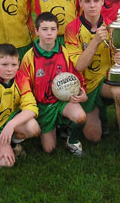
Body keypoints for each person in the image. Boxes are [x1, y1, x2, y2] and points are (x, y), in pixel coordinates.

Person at [65, 0, 120, 156]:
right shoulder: (72, 29)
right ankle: (101, 115)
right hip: (84, 86)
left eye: (95, 0)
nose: (92, 5)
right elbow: (79, 66)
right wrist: (95, 41)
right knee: (94, 137)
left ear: (102, 1)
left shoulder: (113, 26)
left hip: (105, 81)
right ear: (80, 2)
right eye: (87, 1)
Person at [20, 12, 88, 156]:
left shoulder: (65, 53)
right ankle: (52, 127)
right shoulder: (29, 58)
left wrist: (83, 94)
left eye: (52, 29)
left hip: (62, 102)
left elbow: (76, 78)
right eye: (44, 29)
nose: (49, 33)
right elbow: (24, 89)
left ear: (58, 31)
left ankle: (73, 140)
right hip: (43, 106)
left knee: (81, 116)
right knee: (49, 149)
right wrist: (31, 111)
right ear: (36, 31)